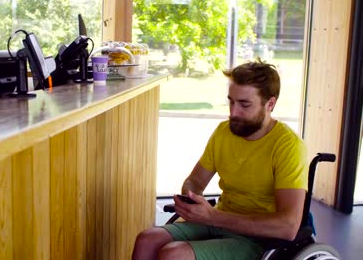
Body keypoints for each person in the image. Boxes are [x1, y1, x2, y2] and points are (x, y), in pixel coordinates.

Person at [132, 58, 308, 260]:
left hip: (257, 238)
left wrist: (213, 216)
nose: (233, 112)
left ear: (270, 104)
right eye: (231, 101)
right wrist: (191, 198)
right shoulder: (224, 132)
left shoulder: (288, 146)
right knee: (147, 239)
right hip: (216, 220)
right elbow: (196, 181)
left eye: (244, 104)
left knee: (174, 254)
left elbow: (288, 227)